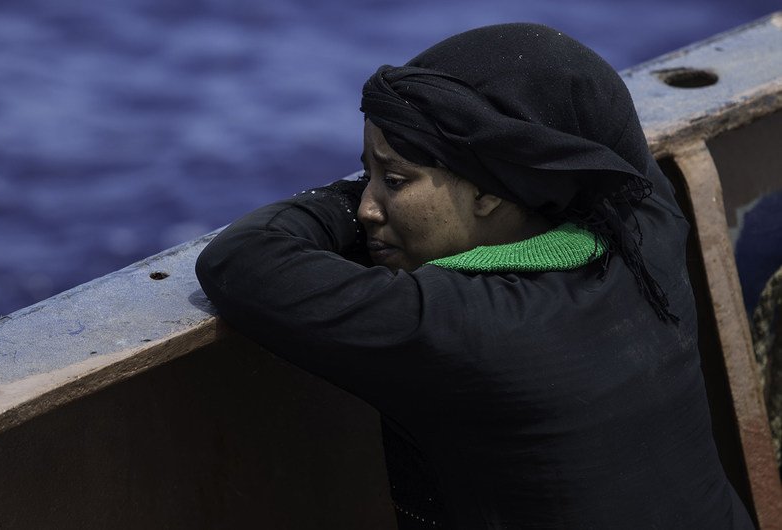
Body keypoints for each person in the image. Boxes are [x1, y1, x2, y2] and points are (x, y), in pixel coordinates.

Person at [195, 23, 754, 528]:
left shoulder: (464, 325)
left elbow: (241, 258)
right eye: (366, 178)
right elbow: (596, 103)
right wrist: (400, 167)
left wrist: (340, 202)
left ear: (490, 191)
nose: (367, 207)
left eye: (394, 181)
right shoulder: (648, 229)